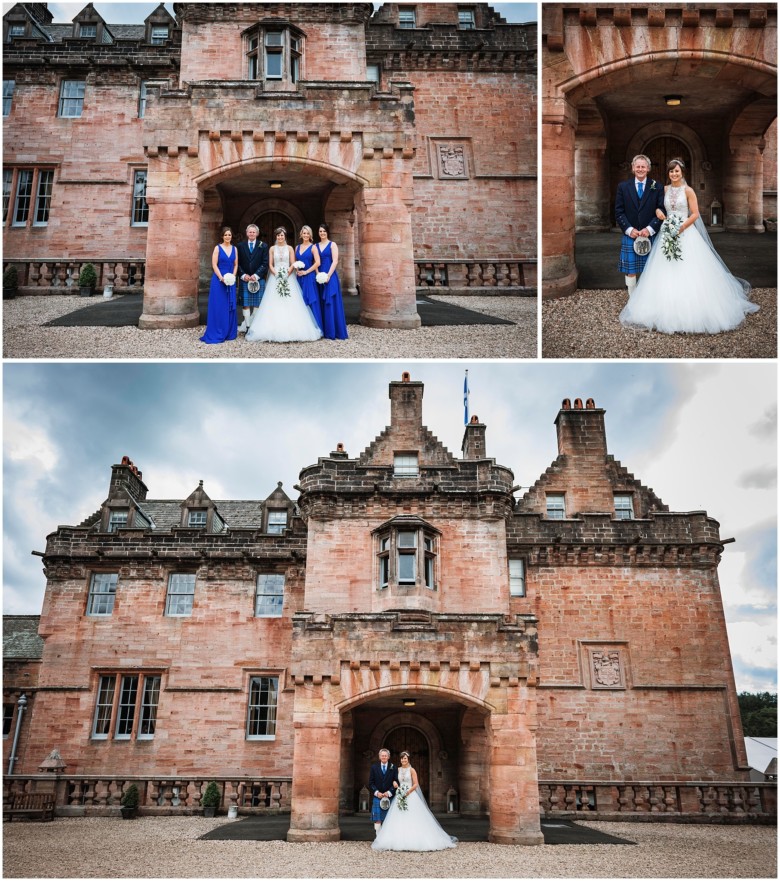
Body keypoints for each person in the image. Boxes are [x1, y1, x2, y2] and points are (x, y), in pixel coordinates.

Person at [620, 159, 759, 334]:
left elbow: (695, 214)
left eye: (677, 171)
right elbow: (658, 207)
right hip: (666, 232)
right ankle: (661, 307)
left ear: (682, 172)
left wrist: (682, 227)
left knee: (689, 268)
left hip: (685, 232)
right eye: (671, 172)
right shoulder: (664, 189)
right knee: (664, 268)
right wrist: (658, 213)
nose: (674, 174)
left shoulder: (689, 191)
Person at [245, 227, 323, 343]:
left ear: (284, 236)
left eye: (282, 235)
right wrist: (276, 273)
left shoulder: (290, 248)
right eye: (278, 236)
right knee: (273, 301)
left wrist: (287, 273)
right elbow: (270, 264)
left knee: (291, 300)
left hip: (288, 277)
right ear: (276, 237)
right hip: (275, 277)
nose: (280, 237)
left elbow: (292, 263)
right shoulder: (272, 248)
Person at [372, 751, 457, 852]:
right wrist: (395, 784)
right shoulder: (397, 769)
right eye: (402, 758)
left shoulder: (412, 770)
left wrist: (407, 793)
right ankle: (396, 839)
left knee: (413, 817)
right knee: (398, 817)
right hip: (399, 795)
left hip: (410, 795)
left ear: (408, 759)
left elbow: (416, 784)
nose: (403, 760)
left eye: (405, 758)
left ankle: (414, 839)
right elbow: (394, 780)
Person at [615, 154, 666, 299]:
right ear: (632, 168)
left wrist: (649, 229)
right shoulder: (623, 187)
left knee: (649, 269)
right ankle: (632, 297)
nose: (640, 169)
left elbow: (662, 210)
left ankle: (647, 297)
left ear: (648, 168)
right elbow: (619, 212)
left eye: (643, 166)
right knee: (631, 270)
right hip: (631, 233)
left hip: (649, 234)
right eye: (637, 166)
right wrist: (629, 229)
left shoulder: (657, 186)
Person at [199, 226, 238, 344]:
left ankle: (229, 332)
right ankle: (217, 330)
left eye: (229, 235)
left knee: (229, 306)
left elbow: (236, 264)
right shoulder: (217, 248)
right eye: (226, 235)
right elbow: (214, 264)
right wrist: (221, 278)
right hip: (219, 281)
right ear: (222, 236)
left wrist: (233, 277)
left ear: (232, 236)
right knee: (218, 306)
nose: (228, 237)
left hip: (230, 281)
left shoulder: (235, 249)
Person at [315, 223, 349, 340]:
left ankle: (333, 331)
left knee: (331, 302)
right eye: (320, 231)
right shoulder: (316, 245)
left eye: (324, 231)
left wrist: (328, 275)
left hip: (330, 275)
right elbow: (315, 262)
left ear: (327, 232)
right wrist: (318, 274)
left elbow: (335, 261)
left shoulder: (332, 244)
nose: (322, 233)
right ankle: (323, 330)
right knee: (321, 302)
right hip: (319, 277)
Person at [237, 223, 268, 333]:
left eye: (254, 232)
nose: (252, 233)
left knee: (256, 304)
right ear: (247, 233)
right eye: (250, 232)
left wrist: (256, 275)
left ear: (257, 233)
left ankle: (254, 325)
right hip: (245, 278)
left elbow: (265, 263)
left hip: (258, 279)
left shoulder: (263, 245)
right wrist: (243, 275)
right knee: (245, 304)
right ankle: (247, 327)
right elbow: (237, 263)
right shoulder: (240, 246)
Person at [294, 226, 324, 333]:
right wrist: (297, 269)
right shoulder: (297, 247)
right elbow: (295, 261)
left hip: (309, 276)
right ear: (301, 234)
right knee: (300, 301)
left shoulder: (313, 247)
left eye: (307, 233)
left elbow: (318, 263)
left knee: (311, 300)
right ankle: (302, 328)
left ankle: (315, 328)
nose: (305, 235)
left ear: (310, 235)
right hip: (299, 277)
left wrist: (306, 272)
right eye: (304, 233)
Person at [368, 748, 398, 837]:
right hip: (378, 796)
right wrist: (377, 792)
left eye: (385, 756)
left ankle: (387, 837)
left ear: (388, 757)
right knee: (378, 819)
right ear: (379, 757)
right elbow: (371, 783)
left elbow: (396, 782)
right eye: (382, 755)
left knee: (389, 818)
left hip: (389, 796)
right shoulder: (374, 767)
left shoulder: (393, 767)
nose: (384, 757)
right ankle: (378, 837)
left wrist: (389, 792)